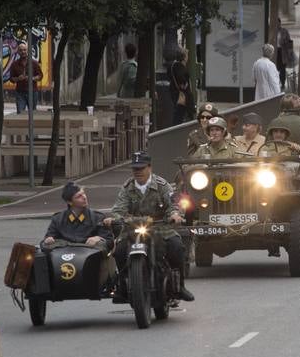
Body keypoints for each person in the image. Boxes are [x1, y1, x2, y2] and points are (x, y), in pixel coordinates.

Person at [104, 152, 194, 302]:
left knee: (177, 247)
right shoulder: (128, 187)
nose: (138, 172)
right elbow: (118, 209)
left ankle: (179, 286)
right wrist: (113, 219)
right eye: (135, 169)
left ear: (149, 167)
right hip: (133, 228)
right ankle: (124, 284)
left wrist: (175, 215)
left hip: (160, 227)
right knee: (119, 251)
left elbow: (174, 203)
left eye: (141, 168)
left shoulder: (161, 185)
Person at [43, 182, 113, 249]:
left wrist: (98, 239)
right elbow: (46, 241)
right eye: (79, 196)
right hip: (65, 258)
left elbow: (109, 242)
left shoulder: (97, 218)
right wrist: (48, 240)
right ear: (69, 202)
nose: (84, 197)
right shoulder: (58, 219)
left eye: (83, 193)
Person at [6, 39, 43, 112]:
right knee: (20, 112)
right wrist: (18, 79)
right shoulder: (14, 64)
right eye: (21, 50)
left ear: (27, 51)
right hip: (20, 93)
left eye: (24, 50)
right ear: (18, 52)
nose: (23, 52)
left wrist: (32, 78)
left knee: (32, 114)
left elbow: (40, 76)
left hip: (32, 92)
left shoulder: (34, 63)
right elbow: (11, 79)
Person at [167, 47, 194, 125]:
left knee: (178, 114)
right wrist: (184, 85)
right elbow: (181, 78)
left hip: (176, 93)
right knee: (180, 115)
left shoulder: (173, 65)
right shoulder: (180, 66)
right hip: (182, 95)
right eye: (187, 55)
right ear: (184, 57)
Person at [273, 17, 296, 88]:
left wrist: (290, 52)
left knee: (282, 68)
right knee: (275, 68)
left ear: (280, 23)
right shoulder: (272, 30)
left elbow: (289, 41)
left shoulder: (284, 31)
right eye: (275, 23)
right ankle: (276, 83)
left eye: (278, 23)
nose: (277, 24)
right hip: (274, 51)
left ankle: (282, 83)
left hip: (282, 51)